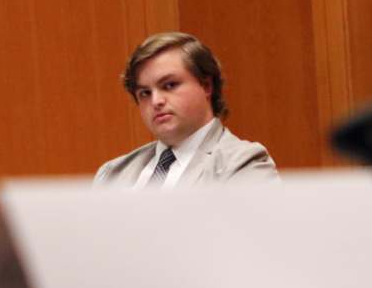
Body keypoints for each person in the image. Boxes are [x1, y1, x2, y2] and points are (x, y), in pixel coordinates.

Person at [94, 32, 278, 187]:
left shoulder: (243, 163)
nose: (156, 101)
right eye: (144, 93)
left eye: (170, 85)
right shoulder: (112, 174)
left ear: (206, 86)